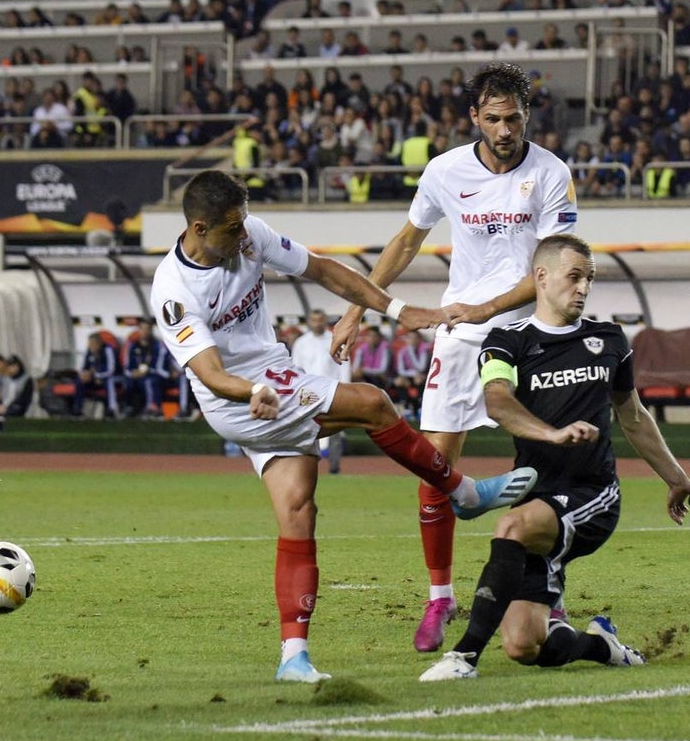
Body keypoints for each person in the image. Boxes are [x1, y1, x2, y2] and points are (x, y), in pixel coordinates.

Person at [148, 169, 537, 683]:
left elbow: (326, 271)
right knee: (373, 403)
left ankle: (293, 656)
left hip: (275, 376)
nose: (243, 236)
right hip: (240, 399)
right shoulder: (173, 290)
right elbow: (211, 376)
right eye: (230, 229)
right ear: (198, 228)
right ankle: (462, 492)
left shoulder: (251, 236)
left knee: (298, 511)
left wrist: (399, 310)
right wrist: (254, 392)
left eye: (243, 224)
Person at [331, 62, 578, 653]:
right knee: (434, 464)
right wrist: (357, 309)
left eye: (513, 118)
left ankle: (550, 591)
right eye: (492, 118)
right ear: (474, 118)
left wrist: (487, 307)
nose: (504, 129)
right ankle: (439, 596)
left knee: (548, 463)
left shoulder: (551, 173)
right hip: (462, 333)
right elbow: (408, 240)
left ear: (526, 115)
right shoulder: (445, 171)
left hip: (531, 333)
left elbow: (552, 266)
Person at [420, 234, 690, 681]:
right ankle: (600, 646)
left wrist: (676, 476)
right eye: (574, 277)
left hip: (593, 494)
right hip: (538, 498)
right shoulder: (506, 341)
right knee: (523, 644)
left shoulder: (608, 340)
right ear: (542, 278)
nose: (583, 287)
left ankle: (464, 656)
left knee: (510, 525)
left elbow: (633, 417)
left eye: (589, 278)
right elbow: (497, 401)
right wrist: (552, 433)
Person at [290, 308, 352, 474]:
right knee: (306, 430)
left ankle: (334, 467)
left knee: (335, 429)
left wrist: (346, 389)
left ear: (325, 321)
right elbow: (296, 369)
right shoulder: (301, 343)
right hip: (307, 392)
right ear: (309, 321)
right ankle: (306, 467)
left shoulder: (335, 339)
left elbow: (344, 365)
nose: (317, 323)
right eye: (314, 320)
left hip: (332, 390)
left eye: (320, 320)